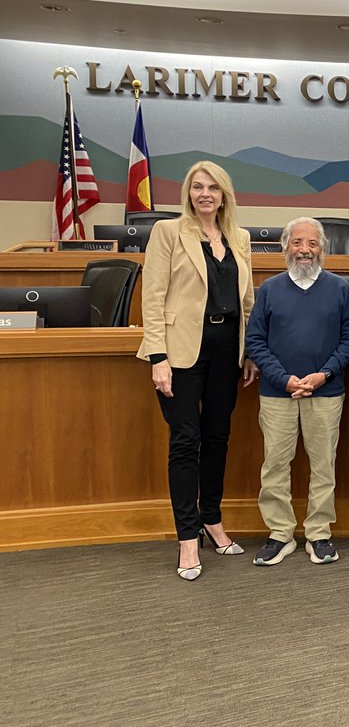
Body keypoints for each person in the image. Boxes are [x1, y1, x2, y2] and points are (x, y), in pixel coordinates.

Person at [137, 161, 256, 581]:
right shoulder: (168, 233)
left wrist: (251, 352)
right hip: (181, 352)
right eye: (197, 187)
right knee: (185, 442)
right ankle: (188, 537)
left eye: (213, 188)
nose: (205, 194)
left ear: (225, 195)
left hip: (228, 351)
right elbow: (152, 298)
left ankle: (212, 518)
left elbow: (247, 302)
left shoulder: (238, 237)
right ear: (188, 193)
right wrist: (157, 357)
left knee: (218, 437)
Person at [245, 217, 349, 567]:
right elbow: (255, 343)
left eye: (312, 244)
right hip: (278, 394)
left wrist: (323, 374)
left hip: (326, 392)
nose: (305, 250)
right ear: (285, 247)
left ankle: (319, 533)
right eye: (297, 243)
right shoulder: (269, 290)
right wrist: (285, 378)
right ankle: (280, 534)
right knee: (275, 465)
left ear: (322, 248)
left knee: (323, 465)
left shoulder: (339, 289)